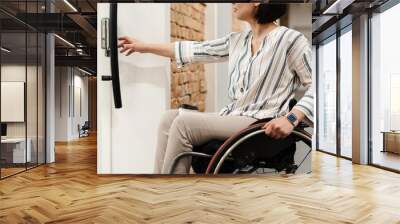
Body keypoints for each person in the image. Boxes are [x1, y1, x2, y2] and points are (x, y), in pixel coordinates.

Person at [118, 3, 313, 174]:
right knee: (168, 118)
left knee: (184, 125)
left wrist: (292, 118)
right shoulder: (237, 41)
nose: (232, 4)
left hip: (262, 120)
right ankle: (159, 187)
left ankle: (172, 196)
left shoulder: (291, 40)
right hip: (235, 115)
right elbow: (192, 50)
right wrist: (142, 46)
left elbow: (316, 86)